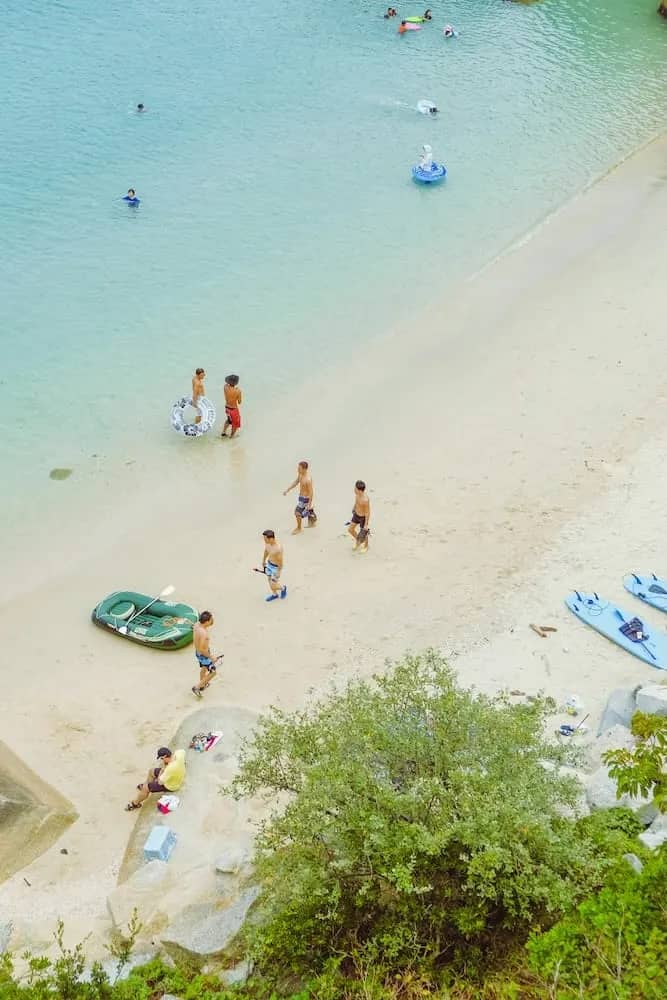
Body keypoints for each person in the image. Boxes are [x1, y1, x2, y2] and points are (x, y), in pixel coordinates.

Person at [125, 746, 186, 811]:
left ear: (165, 756)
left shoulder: (169, 769)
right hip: (176, 776)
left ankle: (135, 804)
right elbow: (183, 751)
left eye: (162, 758)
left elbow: (160, 782)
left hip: (171, 786)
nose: (162, 760)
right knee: (151, 771)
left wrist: (162, 770)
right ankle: (146, 786)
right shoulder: (179, 754)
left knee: (146, 788)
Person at [192, 610, 223, 699]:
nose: (212, 620)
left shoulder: (197, 625)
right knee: (213, 672)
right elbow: (202, 649)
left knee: (204, 668)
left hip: (198, 653)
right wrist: (211, 657)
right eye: (211, 619)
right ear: (206, 622)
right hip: (203, 655)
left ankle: (202, 685)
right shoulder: (204, 634)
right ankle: (197, 687)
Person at [283, 460, 317, 534]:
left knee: (297, 512)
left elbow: (311, 492)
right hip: (301, 497)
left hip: (305, 498)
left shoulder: (308, 479)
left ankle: (299, 528)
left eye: (299, 468)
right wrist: (288, 490)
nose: (298, 470)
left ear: (304, 469)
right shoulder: (300, 475)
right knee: (308, 510)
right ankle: (312, 523)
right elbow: (296, 482)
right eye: (298, 468)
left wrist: (309, 503)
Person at [261, 530, 287, 602]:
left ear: (271, 539)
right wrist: (263, 560)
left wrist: (278, 571)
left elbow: (280, 561)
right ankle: (275, 594)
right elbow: (266, 551)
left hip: (276, 567)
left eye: (265, 539)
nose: (264, 540)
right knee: (269, 580)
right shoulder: (268, 544)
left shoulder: (278, 548)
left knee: (273, 584)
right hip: (269, 564)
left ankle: (283, 588)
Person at [347, 480, 371, 551]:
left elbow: (367, 512)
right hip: (356, 515)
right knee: (350, 530)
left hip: (362, 518)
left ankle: (366, 546)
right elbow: (356, 502)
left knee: (364, 533)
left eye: (355, 489)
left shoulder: (365, 500)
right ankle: (359, 540)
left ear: (360, 490)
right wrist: (354, 508)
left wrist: (366, 525)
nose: (354, 489)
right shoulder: (357, 495)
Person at [221, 374, 242, 438]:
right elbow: (239, 402)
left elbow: (226, 384)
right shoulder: (238, 391)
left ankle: (223, 432)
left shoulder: (225, 387)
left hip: (227, 408)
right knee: (235, 424)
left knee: (229, 420)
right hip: (234, 409)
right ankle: (231, 436)